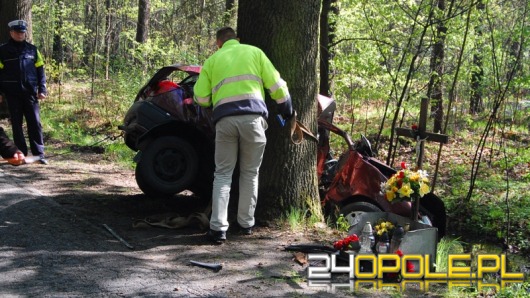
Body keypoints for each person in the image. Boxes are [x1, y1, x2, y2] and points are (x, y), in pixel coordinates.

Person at [194, 27, 293, 244]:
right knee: (250, 173)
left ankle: (218, 229)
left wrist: (214, 99)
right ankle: (246, 224)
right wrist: (286, 107)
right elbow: (276, 85)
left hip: (225, 121)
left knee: (222, 174)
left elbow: (201, 98)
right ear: (237, 39)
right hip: (254, 120)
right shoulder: (254, 52)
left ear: (218, 43)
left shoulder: (212, 61)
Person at [0, 20, 48, 165]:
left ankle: (39, 154)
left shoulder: (33, 50)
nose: (20, 35)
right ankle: (20, 153)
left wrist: (42, 89)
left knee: (35, 123)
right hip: (12, 93)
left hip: (30, 93)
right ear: (11, 33)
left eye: (22, 32)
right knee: (17, 123)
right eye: (17, 32)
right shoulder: (3, 50)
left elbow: (40, 70)